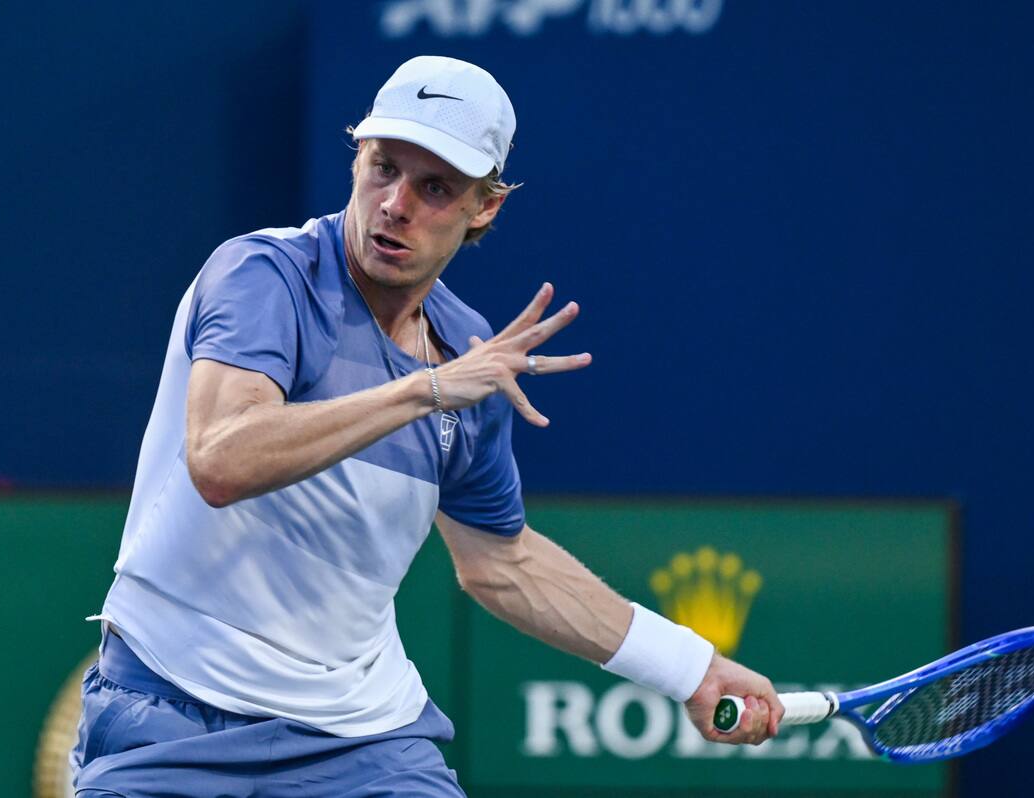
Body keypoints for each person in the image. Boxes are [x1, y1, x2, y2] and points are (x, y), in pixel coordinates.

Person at [72, 55, 783, 797]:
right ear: (357, 160)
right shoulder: (262, 277)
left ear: (486, 207)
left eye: (435, 187)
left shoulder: (468, 351)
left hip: (359, 741)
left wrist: (691, 667)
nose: (395, 204)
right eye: (383, 168)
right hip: (173, 710)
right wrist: (427, 390)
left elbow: (500, 564)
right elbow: (221, 460)